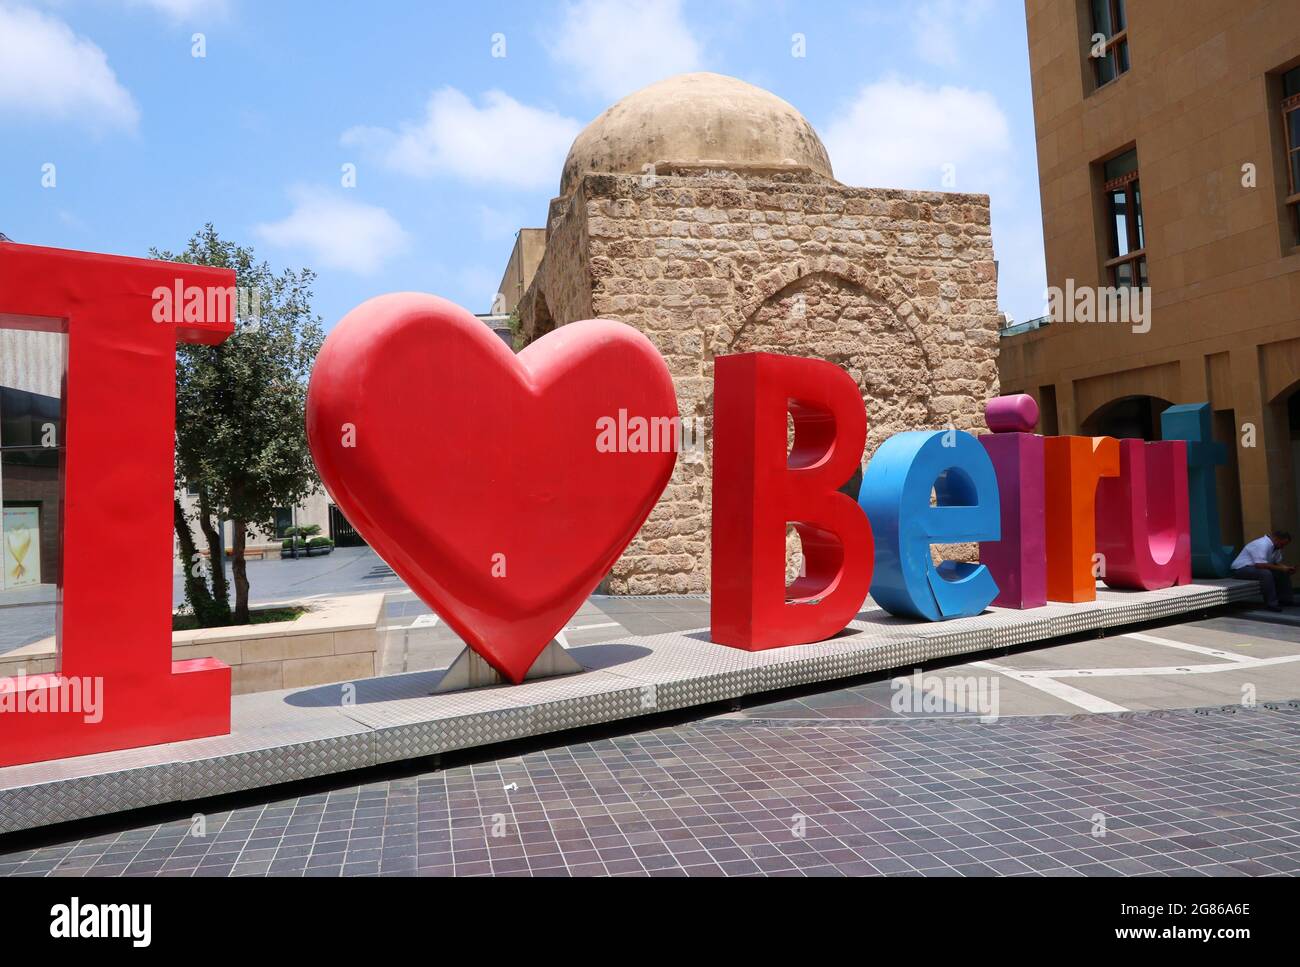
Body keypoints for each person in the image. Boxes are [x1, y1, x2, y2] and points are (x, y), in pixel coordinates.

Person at [1230, 529, 1294, 611]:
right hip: (1240, 569)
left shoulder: (1276, 548)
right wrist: (1282, 568)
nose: (1282, 547)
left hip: (1254, 568)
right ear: (1276, 539)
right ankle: (1271, 604)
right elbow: (1260, 565)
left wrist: (1286, 568)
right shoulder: (1262, 544)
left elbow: (1276, 563)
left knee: (1282, 572)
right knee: (1265, 574)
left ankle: (1286, 600)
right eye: (1282, 544)